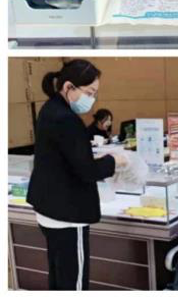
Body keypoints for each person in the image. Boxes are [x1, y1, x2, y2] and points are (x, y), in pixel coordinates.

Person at [26, 60, 128, 290]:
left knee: (59, 278)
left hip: (49, 211)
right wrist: (114, 160)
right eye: (89, 92)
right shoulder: (67, 120)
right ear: (69, 87)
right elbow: (86, 170)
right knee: (74, 283)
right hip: (68, 217)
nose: (91, 100)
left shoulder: (50, 109)